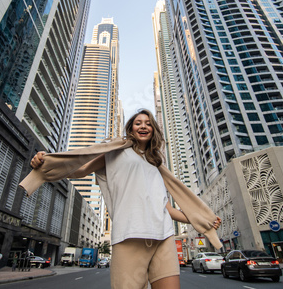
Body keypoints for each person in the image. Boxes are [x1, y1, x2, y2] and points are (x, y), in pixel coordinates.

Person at [23, 109, 222, 289]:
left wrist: (204, 222)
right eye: (138, 123)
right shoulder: (115, 151)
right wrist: (46, 161)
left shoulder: (156, 164)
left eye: (148, 122)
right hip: (129, 236)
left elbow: (167, 209)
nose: (143, 125)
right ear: (131, 128)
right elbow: (80, 168)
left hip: (164, 236)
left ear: (153, 129)